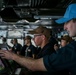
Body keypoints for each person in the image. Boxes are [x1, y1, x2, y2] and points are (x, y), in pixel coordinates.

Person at [0, 3, 76, 75]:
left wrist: (12, 56)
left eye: (67, 21)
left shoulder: (71, 50)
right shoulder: (43, 50)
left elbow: (35, 65)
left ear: (43, 37)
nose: (64, 27)